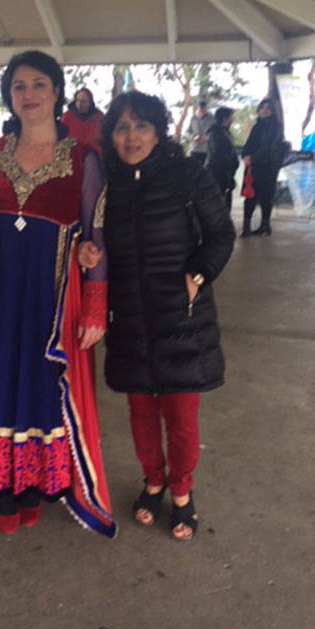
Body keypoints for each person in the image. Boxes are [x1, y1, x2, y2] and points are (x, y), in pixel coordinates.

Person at [0, 50, 116, 538]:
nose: (28, 95)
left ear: (57, 92)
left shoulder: (83, 160)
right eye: (18, 86)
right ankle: (2, 486)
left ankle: (37, 487)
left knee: (44, 383)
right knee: (2, 380)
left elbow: (97, 236)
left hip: (54, 298)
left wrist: (94, 305)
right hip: (1, 298)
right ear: (9, 96)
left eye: (38, 84)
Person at [79, 91, 234, 540]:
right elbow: (88, 235)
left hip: (181, 318)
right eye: (123, 127)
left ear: (159, 130)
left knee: (182, 416)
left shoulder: (187, 174)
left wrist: (199, 272)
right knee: (140, 412)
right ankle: (153, 480)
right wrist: (85, 250)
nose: (132, 137)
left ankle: (182, 491)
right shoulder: (104, 181)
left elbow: (221, 233)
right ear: (111, 134)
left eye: (142, 126)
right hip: (127, 317)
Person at [240, 98, 284, 236]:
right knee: (250, 196)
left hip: (267, 167)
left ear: (272, 111)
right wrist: (245, 156)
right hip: (253, 166)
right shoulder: (256, 125)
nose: (264, 110)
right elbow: (248, 144)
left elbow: (267, 147)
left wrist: (251, 158)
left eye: (268, 108)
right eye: (262, 108)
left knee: (265, 197)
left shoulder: (275, 127)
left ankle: (265, 225)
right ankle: (246, 227)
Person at [205, 107, 239, 210]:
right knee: (218, 204)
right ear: (224, 118)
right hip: (218, 174)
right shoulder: (215, 133)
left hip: (226, 174)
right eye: (230, 117)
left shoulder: (225, 132)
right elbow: (218, 155)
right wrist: (230, 165)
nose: (232, 120)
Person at [61, 87, 103, 153]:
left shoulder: (99, 118)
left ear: (90, 103)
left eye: (84, 102)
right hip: (72, 157)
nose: (79, 105)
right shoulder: (67, 117)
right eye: (77, 101)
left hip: (95, 157)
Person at [187, 99, 214, 165]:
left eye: (204, 109)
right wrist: (193, 137)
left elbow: (215, 134)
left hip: (207, 150)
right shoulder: (193, 118)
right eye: (200, 109)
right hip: (194, 149)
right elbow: (187, 132)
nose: (202, 111)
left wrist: (205, 138)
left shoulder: (212, 118)